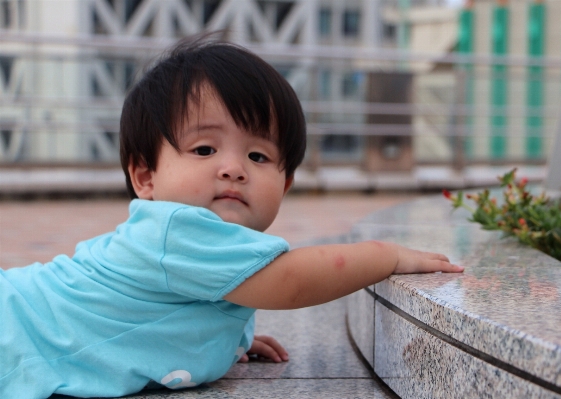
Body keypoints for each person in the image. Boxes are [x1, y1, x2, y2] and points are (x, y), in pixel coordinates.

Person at [0, 35, 464, 399]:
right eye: (204, 149)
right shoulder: (173, 229)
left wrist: (219, 338)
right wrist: (384, 256)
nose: (233, 167)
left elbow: (179, 305)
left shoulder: (210, 256)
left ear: (284, 185)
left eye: (259, 156)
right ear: (145, 177)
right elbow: (290, 281)